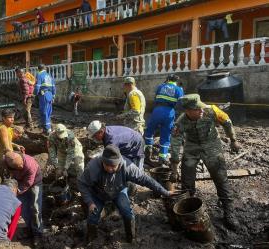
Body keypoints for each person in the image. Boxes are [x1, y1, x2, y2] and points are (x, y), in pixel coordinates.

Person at [170, 94, 241, 231]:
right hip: (192, 147)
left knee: (220, 177)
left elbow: (227, 121)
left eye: (201, 108)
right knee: (187, 180)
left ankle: (229, 211)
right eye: (197, 109)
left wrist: (233, 140)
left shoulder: (212, 110)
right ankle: (189, 210)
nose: (201, 110)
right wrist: (174, 169)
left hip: (212, 144)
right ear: (188, 111)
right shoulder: (180, 123)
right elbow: (175, 145)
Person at [78, 145, 172, 243]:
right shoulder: (93, 167)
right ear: (102, 161)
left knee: (127, 214)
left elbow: (145, 179)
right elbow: (81, 183)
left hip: (118, 191)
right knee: (93, 216)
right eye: (107, 165)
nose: (110, 169)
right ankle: (91, 241)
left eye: (113, 166)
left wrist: (165, 192)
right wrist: (90, 202)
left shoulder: (128, 166)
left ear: (119, 162)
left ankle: (131, 239)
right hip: (98, 193)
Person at [3, 152, 43, 248]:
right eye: (18, 167)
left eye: (21, 165)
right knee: (23, 208)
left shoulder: (30, 165)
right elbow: (6, 175)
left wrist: (17, 191)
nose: (21, 166)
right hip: (18, 182)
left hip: (35, 182)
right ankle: (30, 229)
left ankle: (37, 233)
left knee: (35, 208)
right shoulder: (6, 161)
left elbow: (28, 183)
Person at [144, 74, 184, 165]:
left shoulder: (160, 86)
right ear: (176, 81)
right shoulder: (179, 89)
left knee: (149, 132)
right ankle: (162, 159)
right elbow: (181, 104)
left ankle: (147, 154)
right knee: (166, 136)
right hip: (169, 112)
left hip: (157, 110)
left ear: (168, 79)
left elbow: (155, 98)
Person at [34, 64, 56, 134]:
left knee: (44, 111)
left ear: (38, 69)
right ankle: (47, 127)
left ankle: (47, 129)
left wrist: (34, 94)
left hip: (43, 95)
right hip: (49, 94)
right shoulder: (49, 75)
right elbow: (53, 87)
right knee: (48, 112)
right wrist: (53, 96)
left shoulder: (39, 74)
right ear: (45, 68)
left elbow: (37, 86)